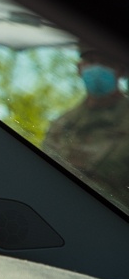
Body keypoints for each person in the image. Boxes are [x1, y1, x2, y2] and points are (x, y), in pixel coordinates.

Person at [43, 44, 129, 204]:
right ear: (79, 68)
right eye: (91, 61)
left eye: (106, 62)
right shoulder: (62, 124)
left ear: (121, 70)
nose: (97, 68)